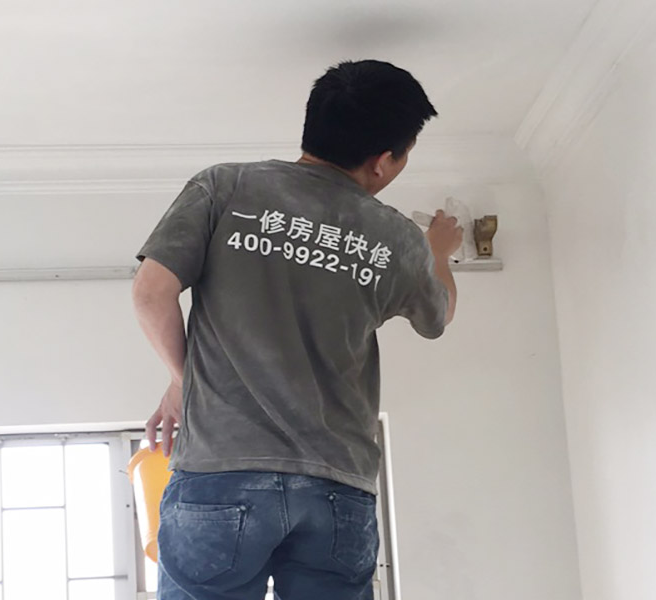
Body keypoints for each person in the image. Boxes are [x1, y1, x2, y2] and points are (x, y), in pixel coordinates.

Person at [132, 59, 463, 600]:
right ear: (383, 163)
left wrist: (183, 379)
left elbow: (151, 292)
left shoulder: (226, 186)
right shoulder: (397, 238)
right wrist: (439, 253)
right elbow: (439, 315)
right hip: (337, 485)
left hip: (221, 473)